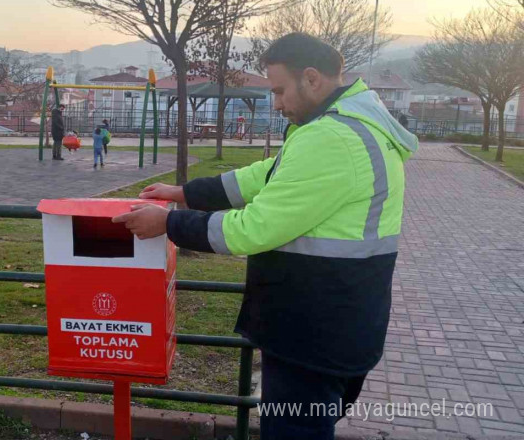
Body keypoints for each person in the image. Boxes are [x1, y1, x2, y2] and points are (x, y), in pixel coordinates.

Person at [111, 33, 418, 440]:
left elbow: (253, 229)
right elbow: (268, 175)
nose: (275, 102)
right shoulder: (350, 123)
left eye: (278, 89)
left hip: (311, 331)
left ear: (311, 78)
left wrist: (167, 223)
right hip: (341, 319)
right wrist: (186, 192)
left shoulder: (332, 138)